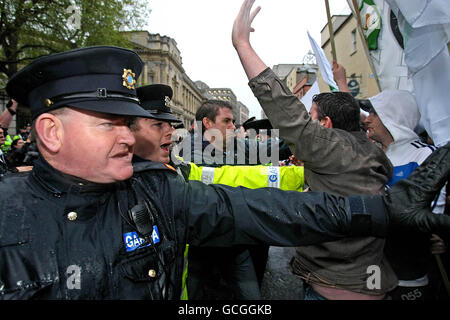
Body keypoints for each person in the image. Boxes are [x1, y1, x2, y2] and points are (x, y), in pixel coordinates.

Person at [1, 45, 449, 300]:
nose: (127, 137)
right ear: (50, 131)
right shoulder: (7, 211)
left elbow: (269, 210)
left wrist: (377, 210)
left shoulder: (160, 192)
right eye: (109, 123)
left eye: (128, 122)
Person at [232, 0, 397, 300]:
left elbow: (284, 109)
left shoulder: (331, 150)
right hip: (372, 285)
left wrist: (242, 44)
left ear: (326, 124)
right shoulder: (371, 150)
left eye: (312, 118)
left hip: (332, 292)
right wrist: (343, 86)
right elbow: (348, 121)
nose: (308, 123)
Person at [362, 90, 447, 300]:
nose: (367, 118)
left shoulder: (424, 155)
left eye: (375, 113)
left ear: (394, 116)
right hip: (373, 267)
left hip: (408, 273)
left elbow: (427, 219)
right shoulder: (370, 156)